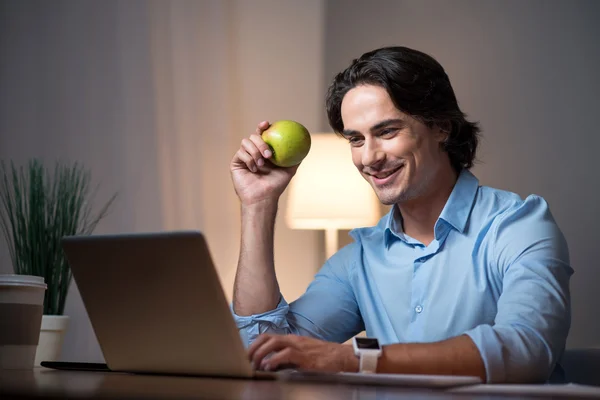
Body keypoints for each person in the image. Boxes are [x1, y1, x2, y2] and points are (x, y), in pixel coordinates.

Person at [228, 46, 572, 384]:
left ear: (441, 127)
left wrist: (355, 359)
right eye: (356, 139)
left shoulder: (519, 226)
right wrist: (258, 205)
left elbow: (527, 350)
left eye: (387, 131)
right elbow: (262, 352)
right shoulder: (359, 259)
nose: (369, 158)